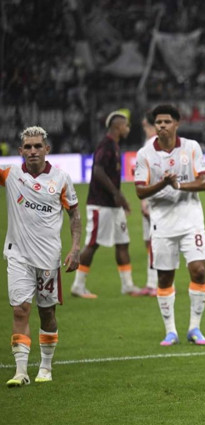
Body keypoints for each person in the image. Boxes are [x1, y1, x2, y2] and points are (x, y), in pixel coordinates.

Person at [3, 126, 81, 386]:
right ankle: (21, 372)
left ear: (47, 149)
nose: (33, 151)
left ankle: (45, 367)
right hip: (18, 256)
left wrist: (75, 247)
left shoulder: (60, 179)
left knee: (46, 312)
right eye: (28, 147)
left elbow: (74, 215)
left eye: (38, 146)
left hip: (48, 258)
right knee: (20, 309)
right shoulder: (11, 174)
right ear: (20, 151)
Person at [134, 104, 205, 346]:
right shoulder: (145, 154)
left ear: (176, 124)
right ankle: (171, 331)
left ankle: (195, 328)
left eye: (167, 122)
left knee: (198, 269)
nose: (162, 126)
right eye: (158, 122)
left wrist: (178, 186)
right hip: (162, 224)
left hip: (191, 220)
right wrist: (163, 184)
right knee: (165, 277)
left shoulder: (191, 147)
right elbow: (139, 191)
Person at [70, 111, 140, 299]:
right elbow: (98, 171)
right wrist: (116, 193)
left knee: (123, 243)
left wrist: (121, 198)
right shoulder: (106, 145)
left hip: (113, 206)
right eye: (126, 125)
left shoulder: (115, 146)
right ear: (118, 127)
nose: (128, 128)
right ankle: (78, 285)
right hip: (100, 205)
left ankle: (127, 285)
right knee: (92, 244)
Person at [136, 113, 159, 297]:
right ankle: (154, 280)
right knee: (150, 241)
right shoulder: (152, 143)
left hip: (152, 198)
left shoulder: (152, 145)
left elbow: (148, 175)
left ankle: (154, 283)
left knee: (154, 241)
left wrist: (145, 201)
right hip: (151, 197)